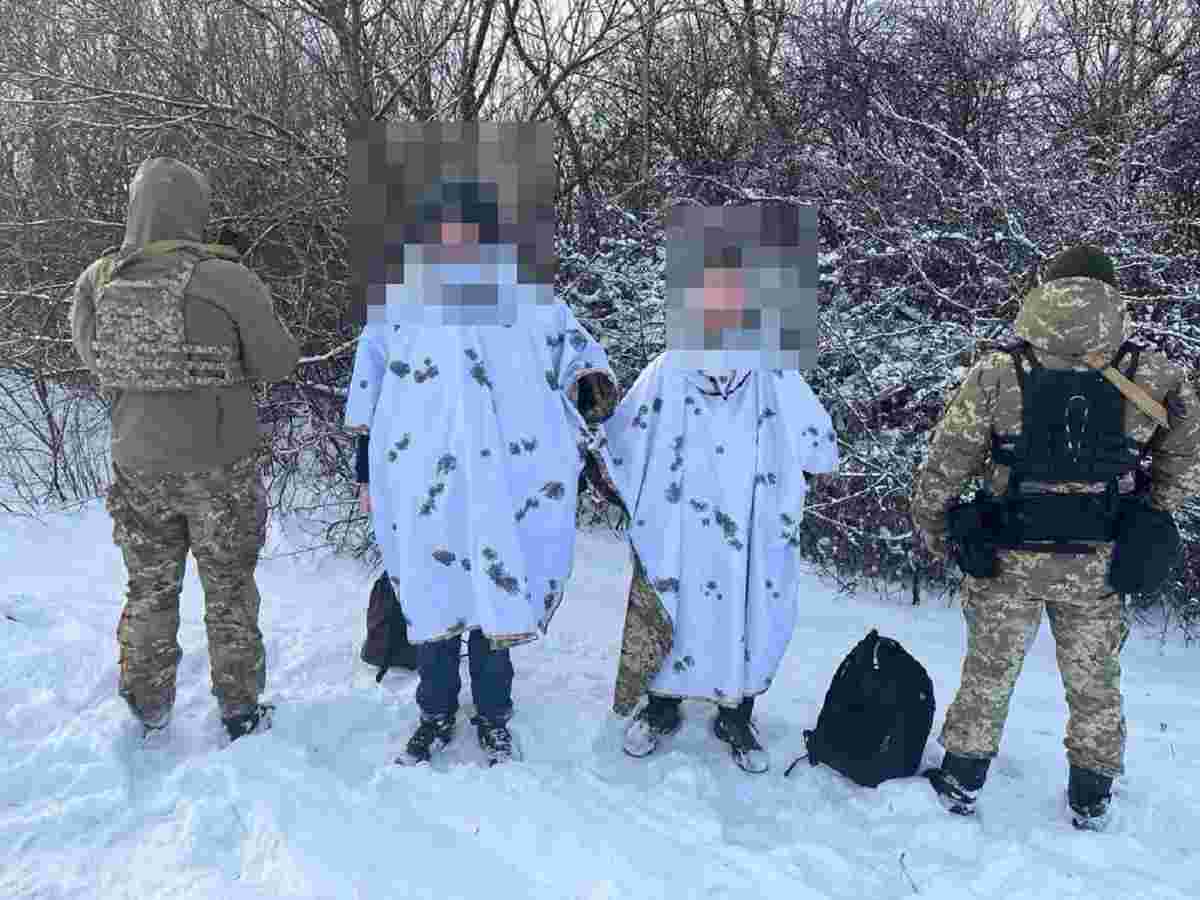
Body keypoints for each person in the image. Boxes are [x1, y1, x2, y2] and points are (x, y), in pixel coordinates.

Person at [343, 136, 618, 767]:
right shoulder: (399, 301)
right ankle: (435, 713)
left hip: (505, 480)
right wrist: (364, 469)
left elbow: (573, 348)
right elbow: (368, 384)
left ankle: (494, 715)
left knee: (497, 586)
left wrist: (587, 383)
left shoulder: (527, 298)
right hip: (422, 479)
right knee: (433, 590)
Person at [910, 244, 1200, 829]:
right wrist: (1152, 511)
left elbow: (947, 460)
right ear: (1111, 295)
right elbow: (1187, 456)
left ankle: (963, 778)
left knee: (989, 672)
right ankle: (1091, 796)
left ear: (1046, 290)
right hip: (1098, 556)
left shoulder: (998, 370)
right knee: (1095, 680)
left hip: (1007, 554)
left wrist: (935, 527)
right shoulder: (1153, 373)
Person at [584, 205, 838, 774]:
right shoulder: (669, 369)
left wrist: (787, 490)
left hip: (747, 529)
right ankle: (662, 705)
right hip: (679, 524)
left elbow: (816, 445)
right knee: (674, 602)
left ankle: (735, 712)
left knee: (746, 614)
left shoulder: (774, 371)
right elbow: (622, 442)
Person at [70, 157, 300, 742]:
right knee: (229, 588)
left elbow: (95, 359)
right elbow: (279, 361)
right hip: (219, 467)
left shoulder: (99, 278)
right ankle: (240, 710)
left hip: (138, 465)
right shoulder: (226, 278)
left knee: (149, 587)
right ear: (197, 209)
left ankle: (147, 703)